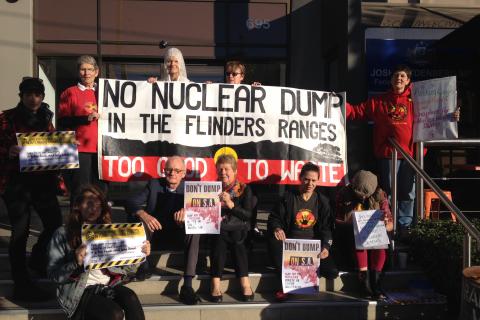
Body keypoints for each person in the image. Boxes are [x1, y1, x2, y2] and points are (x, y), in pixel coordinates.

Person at [346, 65, 459, 234]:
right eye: (396, 76)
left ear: (408, 81)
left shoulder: (418, 101)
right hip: (388, 155)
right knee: (389, 193)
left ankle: (404, 227)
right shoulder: (379, 101)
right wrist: (338, 104)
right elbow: (356, 112)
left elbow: (437, 116)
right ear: (391, 80)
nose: (398, 78)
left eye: (402, 76)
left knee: (408, 193)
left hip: (411, 156)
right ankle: (390, 225)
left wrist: (452, 116)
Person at [0, 77, 63, 301]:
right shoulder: (6, 118)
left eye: (37, 94)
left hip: (42, 182)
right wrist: (8, 151)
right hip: (15, 183)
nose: (33, 98)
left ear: (42, 97)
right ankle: (22, 283)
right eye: (28, 94)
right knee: (20, 233)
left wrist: (64, 151)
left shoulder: (46, 118)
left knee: (55, 223)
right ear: (21, 96)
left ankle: (37, 257)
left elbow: (53, 147)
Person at [47, 185, 150, 320]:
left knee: (130, 297)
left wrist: (139, 255)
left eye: (98, 204)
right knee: (114, 314)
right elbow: (54, 275)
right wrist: (75, 262)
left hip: (109, 285)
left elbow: (127, 271)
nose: (93, 208)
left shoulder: (108, 232)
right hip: (80, 291)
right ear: (78, 205)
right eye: (89, 203)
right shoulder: (62, 234)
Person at [126, 156, 201, 305]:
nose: (172, 173)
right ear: (163, 170)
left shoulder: (191, 189)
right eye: (168, 170)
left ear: (183, 173)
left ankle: (187, 285)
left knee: (195, 228)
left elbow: (203, 213)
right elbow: (131, 202)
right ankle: (143, 265)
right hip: (155, 235)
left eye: (177, 170)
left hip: (179, 235)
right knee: (143, 221)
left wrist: (188, 214)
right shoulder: (154, 184)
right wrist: (144, 214)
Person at [267, 162, 338, 301]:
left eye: (313, 180)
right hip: (290, 244)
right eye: (306, 179)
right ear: (300, 178)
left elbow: (326, 229)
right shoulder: (288, 198)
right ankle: (285, 286)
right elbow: (274, 218)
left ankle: (304, 277)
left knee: (332, 273)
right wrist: (277, 228)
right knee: (273, 241)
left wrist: (326, 247)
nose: (310, 183)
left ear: (318, 181)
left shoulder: (322, 202)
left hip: (311, 246)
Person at [335, 170, 393, 299]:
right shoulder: (343, 194)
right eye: (359, 194)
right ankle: (364, 282)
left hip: (373, 234)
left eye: (366, 195)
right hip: (350, 233)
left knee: (380, 242)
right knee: (360, 242)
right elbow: (335, 220)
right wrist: (348, 222)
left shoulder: (380, 195)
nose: (363, 197)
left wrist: (384, 223)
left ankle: (376, 282)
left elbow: (390, 225)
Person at [58, 55, 106, 204]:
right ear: (78, 72)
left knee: (101, 192)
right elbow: (63, 121)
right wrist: (85, 119)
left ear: (96, 72)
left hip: (103, 150)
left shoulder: (106, 91)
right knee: (80, 191)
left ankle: (100, 225)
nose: (87, 73)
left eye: (90, 70)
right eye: (83, 70)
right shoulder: (70, 93)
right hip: (81, 150)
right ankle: (76, 226)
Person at [210, 154, 254, 302]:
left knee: (237, 239)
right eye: (220, 169)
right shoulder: (211, 188)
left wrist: (231, 205)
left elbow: (247, 215)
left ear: (234, 171)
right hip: (219, 227)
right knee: (219, 237)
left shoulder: (244, 189)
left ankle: (244, 282)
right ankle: (215, 283)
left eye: (227, 169)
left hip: (238, 227)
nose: (223, 172)